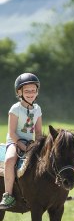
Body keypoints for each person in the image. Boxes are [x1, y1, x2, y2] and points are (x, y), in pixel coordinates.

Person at [0, 73, 42, 210]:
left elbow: (39, 132)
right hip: (14, 141)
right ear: (19, 92)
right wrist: (21, 145)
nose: (31, 93)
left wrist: (38, 145)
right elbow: (12, 132)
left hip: (31, 143)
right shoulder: (15, 109)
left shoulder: (38, 109)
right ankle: (8, 195)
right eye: (27, 91)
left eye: (33, 90)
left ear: (37, 92)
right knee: (10, 160)